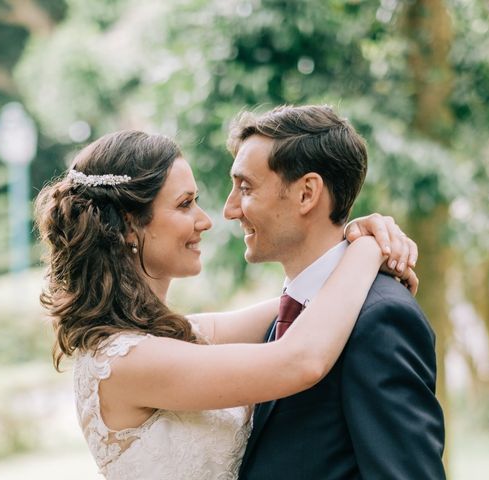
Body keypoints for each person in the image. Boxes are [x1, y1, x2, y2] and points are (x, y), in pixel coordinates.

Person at [35, 130, 418, 480]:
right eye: (185, 205)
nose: (206, 220)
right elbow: (300, 360)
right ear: (130, 225)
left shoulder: (173, 337)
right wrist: (367, 248)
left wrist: (352, 238)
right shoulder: (123, 363)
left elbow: (300, 300)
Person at [223, 105, 446, 479]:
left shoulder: (382, 319)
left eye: (245, 188)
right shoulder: (287, 313)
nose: (230, 209)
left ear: (307, 193)